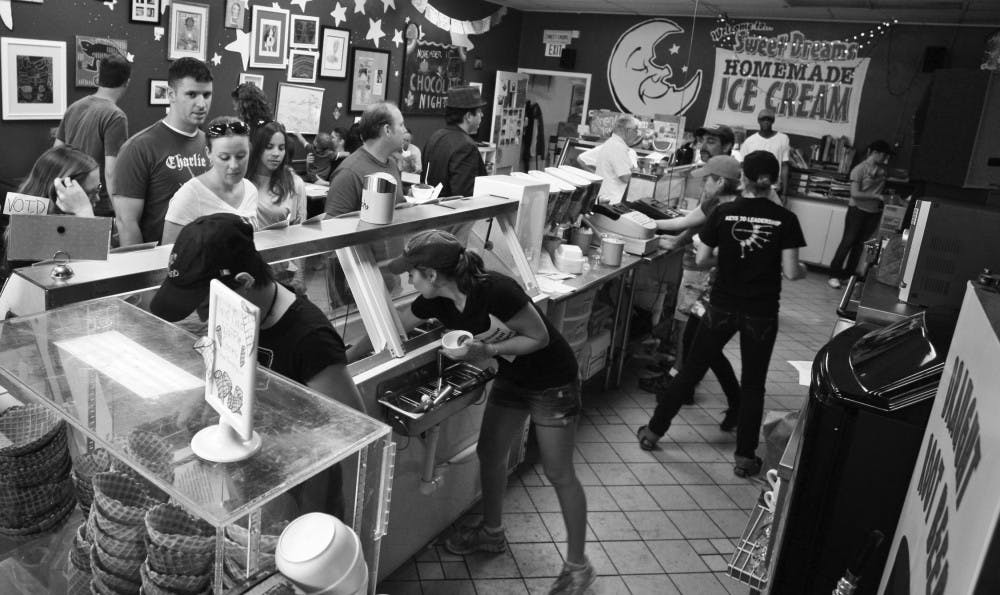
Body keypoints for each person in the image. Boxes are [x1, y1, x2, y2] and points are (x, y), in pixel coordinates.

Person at [387, 230, 595, 594]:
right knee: (491, 453)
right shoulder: (435, 302)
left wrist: (485, 351)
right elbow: (395, 327)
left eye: (412, 273)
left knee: (559, 473)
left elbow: (539, 337)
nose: (408, 279)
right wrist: (340, 360)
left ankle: (579, 566)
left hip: (552, 381)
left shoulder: (497, 290)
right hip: (513, 379)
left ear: (432, 275)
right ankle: (492, 533)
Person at [149, 213, 365, 518]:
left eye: (205, 307)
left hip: (306, 485)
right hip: (252, 476)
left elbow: (352, 427)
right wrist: (202, 395)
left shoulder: (310, 339)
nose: (204, 320)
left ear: (244, 283)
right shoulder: (237, 314)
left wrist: (271, 446)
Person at [638, 151, 807, 478]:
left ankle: (654, 432)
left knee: (690, 370)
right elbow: (790, 271)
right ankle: (744, 457)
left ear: (743, 178)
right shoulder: (786, 219)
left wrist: (729, 259)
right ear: (775, 181)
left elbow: (702, 259)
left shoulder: (724, 212)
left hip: (722, 307)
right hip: (761, 313)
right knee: (754, 384)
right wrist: (789, 265)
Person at [644, 156, 744, 428]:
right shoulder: (714, 204)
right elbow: (683, 224)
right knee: (694, 341)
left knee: (702, 345)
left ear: (721, 181)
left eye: (707, 180)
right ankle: (731, 402)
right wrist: (641, 219)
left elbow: (715, 256)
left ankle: (683, 395)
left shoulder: (733, 212)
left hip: (717, 289)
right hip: (709, 290)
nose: (703, 185)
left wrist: (705, 255)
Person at [113, 57, 213, 246]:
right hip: (162, 263)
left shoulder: (212, 145)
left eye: (206, 95)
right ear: (171, 94)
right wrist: (144, 273)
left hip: (205, 259)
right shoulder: (139, 148)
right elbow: (127, 223)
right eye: (191, 94)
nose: (201, 104)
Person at [1, 147, 103, 283]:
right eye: (87, 194)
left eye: (99, 188)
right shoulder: (29, 228)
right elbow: (99, 273)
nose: (97, 198)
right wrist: (84, 211)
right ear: (60, 192)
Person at [54, 55, 131, 217]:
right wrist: (121, 215)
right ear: (127, 82)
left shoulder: (74, 107)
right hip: (97, 202)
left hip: (68, 197)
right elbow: (111, 172)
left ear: (98, 79)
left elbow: (56, 153)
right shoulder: (116, 116)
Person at [161, 117, 257, 245]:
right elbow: (169, 254)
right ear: (208, 153)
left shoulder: (250, 190)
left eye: (241, 156)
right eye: (224, 157)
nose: (234, 165)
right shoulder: (189, 196)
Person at [827, 140, 892, 289]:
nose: (885, 159)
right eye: (884, 155)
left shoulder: (882, 170)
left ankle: (848, 276)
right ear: (875, 153)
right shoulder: (859, 169)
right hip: (857, 210)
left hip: (874, 212)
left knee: (859, 246)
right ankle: (834, 274)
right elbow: (855, 193)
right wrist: (876, 196)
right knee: (848, 242)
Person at [324, 102, 405, 216]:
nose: (405, 131)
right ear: (387, 130)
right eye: (401, 125)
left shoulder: (391, 163)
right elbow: (332, 226)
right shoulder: (349, 173)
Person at [422, 86, 487, 198]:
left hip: (428, 208)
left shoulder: (435, 136)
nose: (482, 115)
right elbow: (464, 196)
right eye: (479, 111)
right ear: (468, 116)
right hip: (450, 212)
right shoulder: (466, 146)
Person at [250, 120, 308, 227]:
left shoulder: (295, 183)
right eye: (269, 147)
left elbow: (300, 226)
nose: (276, 154)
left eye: (281, 148)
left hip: (279, 242)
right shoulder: (243, 179)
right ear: (258, 148)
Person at [581, 115, 638, 204]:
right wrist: (638, 174)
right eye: (635, 130)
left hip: (606, 198)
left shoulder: (613, 144)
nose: (636, 134)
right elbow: (625, 177)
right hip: (611, 201)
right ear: (627, 130)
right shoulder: (617, 147)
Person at [740, 108, 791, 200]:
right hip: (752, 190)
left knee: (772, 213)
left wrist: (785, 193)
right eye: (763, 119)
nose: (766, 122)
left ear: (773, 121)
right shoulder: (749, 141)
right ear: (758, 121)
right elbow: (743, 167)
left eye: (769, 119)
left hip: (774, 188)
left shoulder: (783, 139)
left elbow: (785, 166)